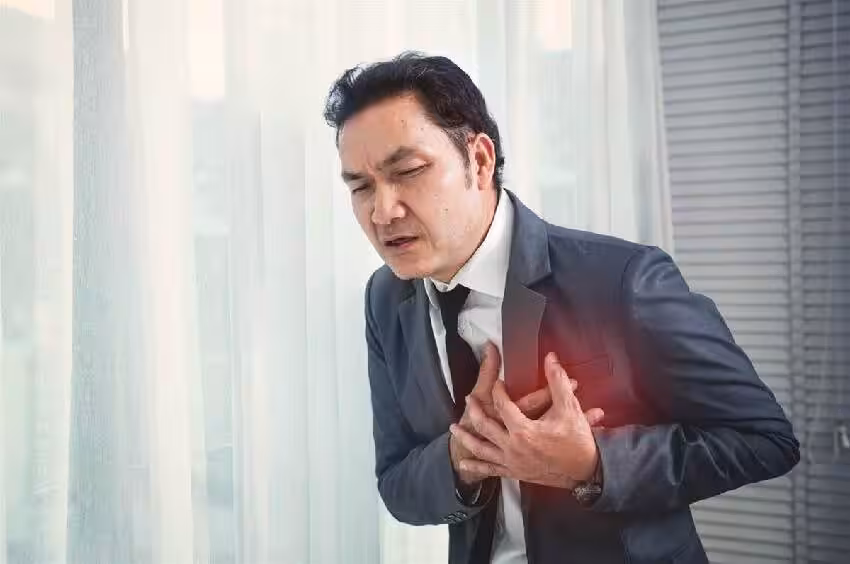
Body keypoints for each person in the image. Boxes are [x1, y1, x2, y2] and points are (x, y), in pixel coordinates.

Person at [323, 52, 799, 564]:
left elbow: (765, 440)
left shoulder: (623, 280)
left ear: (479, 161)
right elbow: (397, 482)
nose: (381, 212)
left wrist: (593, 464)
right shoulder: (385, 298)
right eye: (360, 186)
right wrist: (460, 459)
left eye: (408, 171)